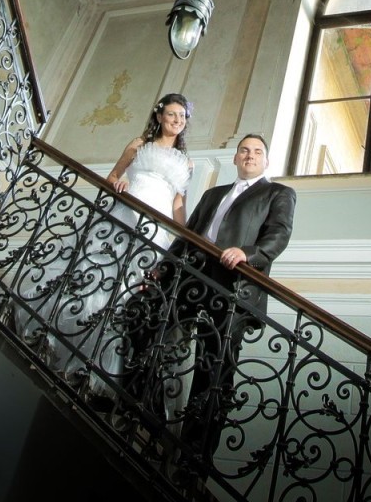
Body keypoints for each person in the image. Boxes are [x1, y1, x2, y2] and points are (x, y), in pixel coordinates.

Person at [50, 93, 194, 408]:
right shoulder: (138, 144)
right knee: (101, 276)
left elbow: (178, 205)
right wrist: (119, 183)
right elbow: (113, 175)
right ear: (159, 116)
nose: (177, 120)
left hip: (156, 228)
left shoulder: (187, 162)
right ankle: (74, 340)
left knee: (130, 290)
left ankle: (107, 365)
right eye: (172, 114)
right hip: (125, 214)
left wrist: (182, 239)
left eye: (182, 116)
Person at [170, 133, 296, 473]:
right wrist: (163, 267)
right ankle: (144, 411)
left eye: (257, 152)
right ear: (236, 158)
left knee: (213, 368)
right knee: (157, 331)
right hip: (192, 277)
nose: (250, 155)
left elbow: (279, 234)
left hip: (233, 286)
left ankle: (195, 455)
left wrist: (248, 253)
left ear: (265, 161)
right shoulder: (213, 194)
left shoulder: (278, 193)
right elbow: (189, 234)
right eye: (244, 150)